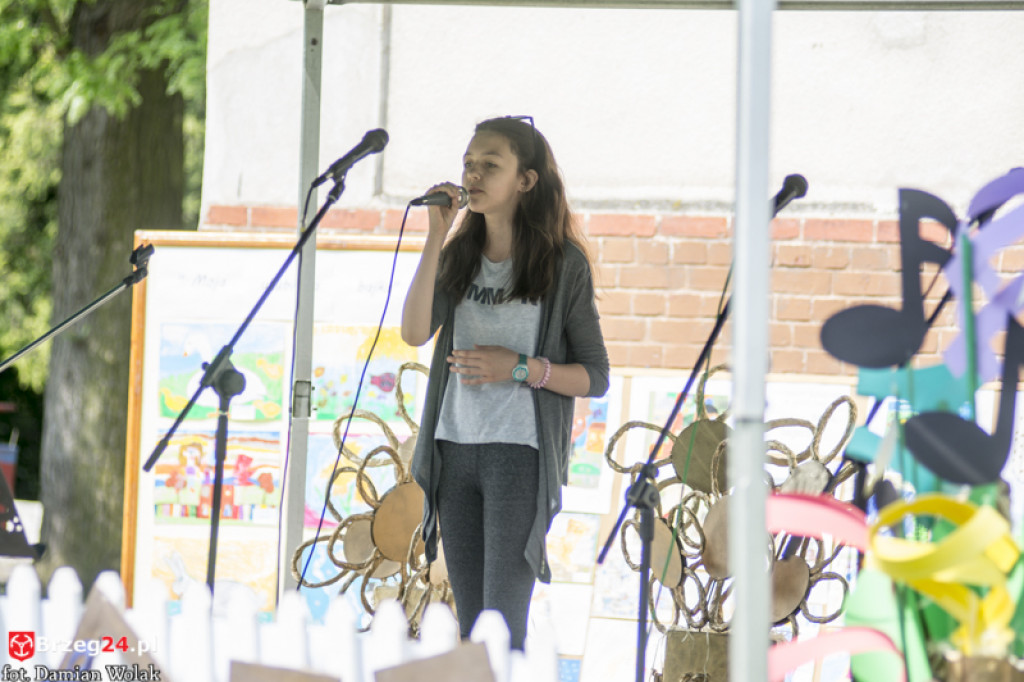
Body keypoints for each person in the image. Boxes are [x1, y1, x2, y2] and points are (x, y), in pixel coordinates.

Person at [402, 116, 609, 651]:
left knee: (502, 625)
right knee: (471, 625)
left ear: (526, 180)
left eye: (490, 165)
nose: (473, 175)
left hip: (519, 455)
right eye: (468, 164)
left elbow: (595, 376)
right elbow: (414, 331)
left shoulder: (563, 265)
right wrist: (435, 236)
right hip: (453, 450)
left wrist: (519, 367)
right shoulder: (458, 255)